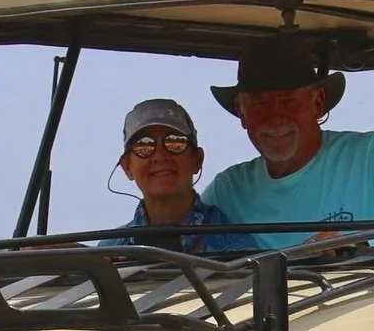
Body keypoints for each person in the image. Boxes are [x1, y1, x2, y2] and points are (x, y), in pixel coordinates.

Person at [202, 37, 374, 246]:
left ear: (317, 103)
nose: (275, 117)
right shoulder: (228, 191)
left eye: (288, 100)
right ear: (241, 112)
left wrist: (362, 245)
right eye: (259, 104)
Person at [107, 98, 262, 254]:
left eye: (175, 142)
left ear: (197, 160)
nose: (160, 156)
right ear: (127, 166)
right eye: (144, 145)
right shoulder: (110, 249)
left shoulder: (236, 248)